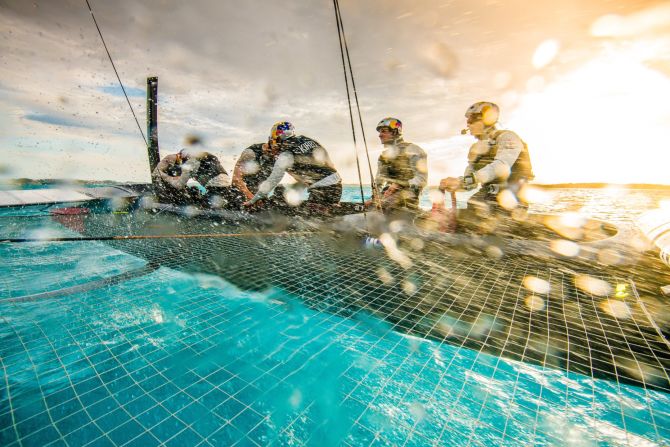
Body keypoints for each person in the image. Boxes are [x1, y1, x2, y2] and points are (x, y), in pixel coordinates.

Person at [439, 101, 534, 220]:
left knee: (472, 218)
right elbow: (470, 183)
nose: (468, 123)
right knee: (462, 216)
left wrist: (466, 180)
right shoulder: (475, 149)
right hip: (486, 198)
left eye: (472, 119)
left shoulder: (508, 137)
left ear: (486, 119)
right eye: (468, 120)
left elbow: (501, 166)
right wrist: (455, 184)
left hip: (511, 198)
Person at [245, 122, 342, 210]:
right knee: (327, 214)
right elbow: (328, 161)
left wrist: (253, 200)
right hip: (337, 184)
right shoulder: (307, 140)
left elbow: (272, 181)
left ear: (276, 140)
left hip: (323, 189)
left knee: (311, 222)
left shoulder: (286, 155)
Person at [367, 117, 427, 212]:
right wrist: (374, 197)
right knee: (371, 206)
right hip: (387, 197)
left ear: (395, 132)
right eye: (380, 132)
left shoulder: (413, 150)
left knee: (385, 205)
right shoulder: (383, 156)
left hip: (407, 200)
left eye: (383, 131)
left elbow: (422, 179)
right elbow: (379, 181)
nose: (380, 135)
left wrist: (399, 185)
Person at [151, 148, 233, 206]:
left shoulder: (190, 162)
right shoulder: (205, 158)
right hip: (226, 184)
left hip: (215, 186)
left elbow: (179, 185)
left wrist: (169, 178)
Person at [230, 141, 276, 205]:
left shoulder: (277, 157)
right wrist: (252, 198)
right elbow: (236, 180)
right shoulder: (250, 153)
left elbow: (292, 173)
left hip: (257, 196)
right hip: (240, 195)